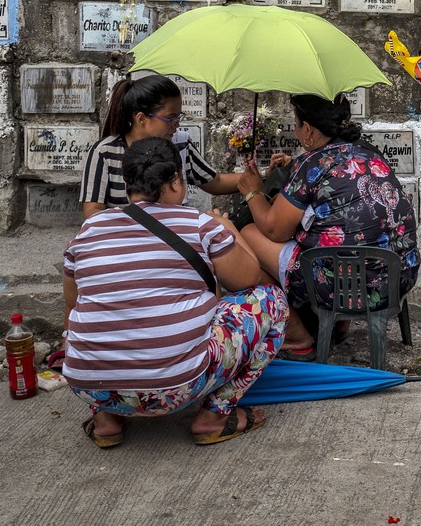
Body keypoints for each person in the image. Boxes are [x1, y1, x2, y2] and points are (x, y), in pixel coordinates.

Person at [63, 137, 285, 448]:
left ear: (127, 182)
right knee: (271, 300)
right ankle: (215, 415)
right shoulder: (198, 224)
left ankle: (105, 420)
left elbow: (73, 308)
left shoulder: (90, 230)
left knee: (87, 322)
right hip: (176, 389)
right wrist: (228, 227)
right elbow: (247, 279)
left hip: (89, 385)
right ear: (176, 180)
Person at [235, 94, 419, 360]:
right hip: (398, 277)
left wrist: (253, 192)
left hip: (339, 286)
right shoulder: (370, 153)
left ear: (308, 129)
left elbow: (275, 230)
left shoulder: (311, 163)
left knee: (248, 234)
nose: (296, 132)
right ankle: (339, 324)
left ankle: (298, 337)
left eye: (297, 125)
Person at [80, 75, 240, 219]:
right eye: (170, 118)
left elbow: (214, 181)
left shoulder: (180, 144)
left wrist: (254, 178)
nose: (176, 125)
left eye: (178, 117)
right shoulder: (105, 152)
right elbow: (92, 210)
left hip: (174, 237)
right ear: (141, 118)